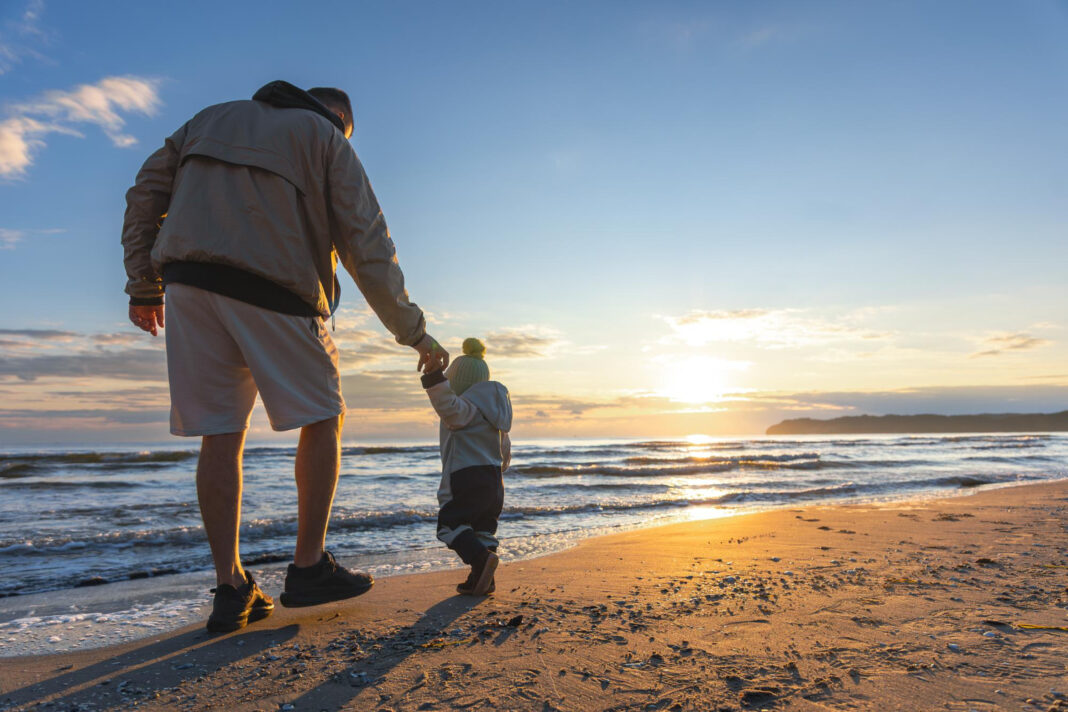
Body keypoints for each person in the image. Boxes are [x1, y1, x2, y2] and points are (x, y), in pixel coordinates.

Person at [121, 80, 448, 632]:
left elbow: (144, 194)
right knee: (324, 416)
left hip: (189, 285)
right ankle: (308, 566)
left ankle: (230, 588)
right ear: (338, 116)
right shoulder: (326, 136)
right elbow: (367, 245)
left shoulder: (210, 115)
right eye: (347, 130)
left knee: (221, 435)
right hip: (276, 286)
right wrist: (414, 333)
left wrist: (142, 284)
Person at [420, 338, 512, 596]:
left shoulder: (464, 409)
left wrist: (434, 375)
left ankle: (480, 562)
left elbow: (446, 404)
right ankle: (483, 579)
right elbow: (505, 453)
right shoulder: (496, 417)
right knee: (483, 529)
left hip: (466, 477)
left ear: (456, 382)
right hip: (493, 482)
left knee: (450, 525)